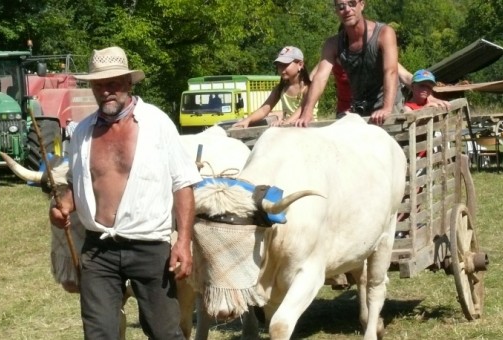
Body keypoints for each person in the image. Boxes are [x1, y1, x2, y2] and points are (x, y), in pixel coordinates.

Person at [49, 46, 201, 339]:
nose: (105, 91)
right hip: (98, 249)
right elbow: (76, 181)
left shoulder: (157, 124)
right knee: (99, 333)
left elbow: (183, 183)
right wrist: (64, 205)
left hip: (149, 246)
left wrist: (183, 242)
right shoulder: (81, 132)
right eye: (98, 85)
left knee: (164, 332)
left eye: (113, 84)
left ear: (129, 83)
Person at [297, 0, 401, 126]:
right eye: (341, 6)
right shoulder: (333, 44)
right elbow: (320, 78)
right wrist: (307, 112)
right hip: (358, 109)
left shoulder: (384, 33)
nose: (346, 9)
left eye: (351, 3)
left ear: (362, 4)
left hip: (386, 105)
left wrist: (387, 108)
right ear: (336, 11)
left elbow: (391, 71)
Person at [232, 46, 318, 128]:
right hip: (289, 128)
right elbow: (264, 109)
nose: (281, 69)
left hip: (307, 127)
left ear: (300, 64)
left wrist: (285, 123)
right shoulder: (280, 89)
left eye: (285, 64)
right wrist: (248, 120)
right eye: (279, 65)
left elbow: (302, 110)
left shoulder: (308, 88)